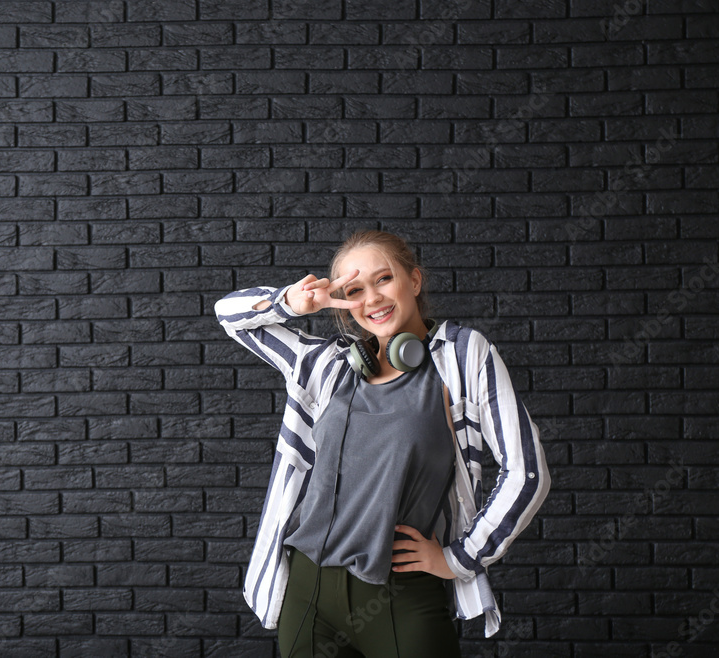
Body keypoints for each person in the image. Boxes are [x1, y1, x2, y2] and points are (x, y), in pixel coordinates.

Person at [214, 229, 551, 657]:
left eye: (383, 279)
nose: (371, 298)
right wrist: (293, 302)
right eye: (354, 290)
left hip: (399, 595)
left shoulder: (462, 356)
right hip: (308, 589)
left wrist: (460, 558)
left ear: (413, 280)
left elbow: (527, 471)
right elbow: (228, 314)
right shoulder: (326, 363)